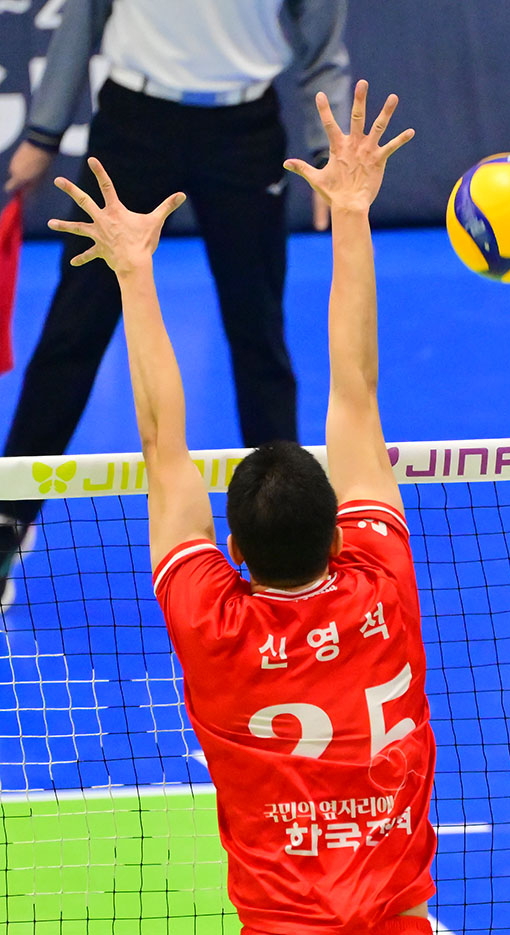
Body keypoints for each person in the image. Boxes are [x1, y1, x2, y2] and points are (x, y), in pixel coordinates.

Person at [46, 82, 439, 934]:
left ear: (233, 545)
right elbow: (357, 390)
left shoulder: (211, 620)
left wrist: (133, 272)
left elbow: (162, 444)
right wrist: (352, 212)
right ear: (340, 532)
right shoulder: (382, 577)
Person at [0, 0, 351, 614]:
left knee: (259, 338)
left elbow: (321, 35)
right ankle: (7, 518)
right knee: (72, 334)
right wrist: (43, 131)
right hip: (133, 125)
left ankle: (287, 545)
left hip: (244, 130)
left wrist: (330, 148)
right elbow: (84, 13)